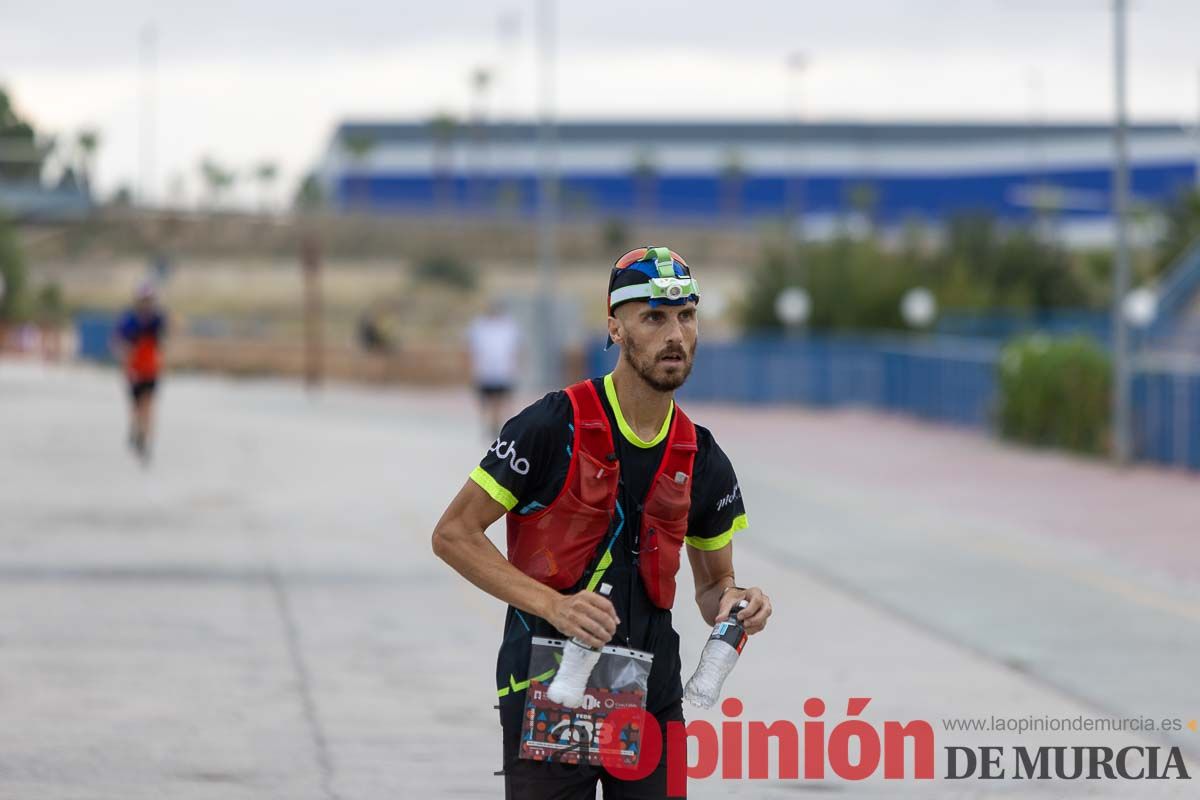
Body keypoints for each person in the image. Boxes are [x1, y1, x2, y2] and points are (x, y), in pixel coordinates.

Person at [432, 246, 772, 799]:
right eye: (654, 317)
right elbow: (453, 534)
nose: (675, 335)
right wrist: (553, 605)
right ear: (614, 327)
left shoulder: (702, 455)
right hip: (549, 689)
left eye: (686, 316)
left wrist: (738, 603)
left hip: (651, 700)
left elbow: (712, 587)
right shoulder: (551, 424)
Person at [111, 282, 167, 462]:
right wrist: (125, 352)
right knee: (137, 406)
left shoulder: (157, 319)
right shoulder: (129, 320)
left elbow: (165, 339)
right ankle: (137, 431)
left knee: (148, 404)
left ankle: (144, 438)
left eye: (149, 300)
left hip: (151, 368)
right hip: (135, 368)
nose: (146, 303)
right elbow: (117, 341)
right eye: (144, 300)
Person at [467, 300, 521, 439]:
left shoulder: (509, 326)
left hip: (503, 370)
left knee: (501, 401)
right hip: (485, 370)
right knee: (487, 401)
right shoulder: (479, 326)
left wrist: (516, 366)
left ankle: (499, 425)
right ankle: (490, 426)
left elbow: (516, 348)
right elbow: (472, 348)